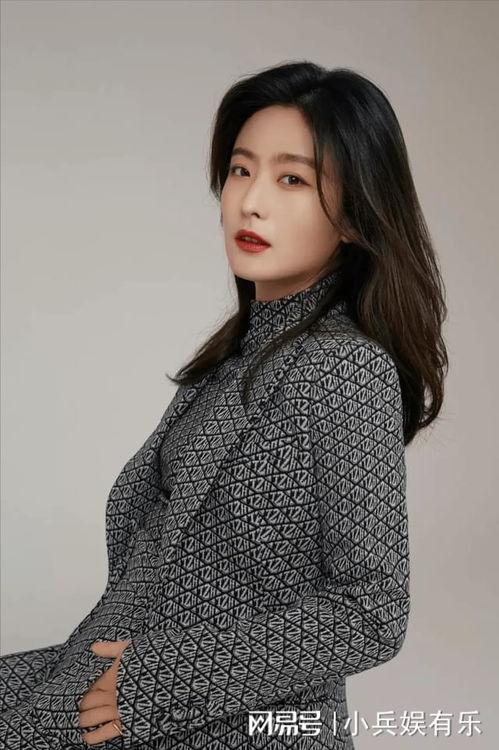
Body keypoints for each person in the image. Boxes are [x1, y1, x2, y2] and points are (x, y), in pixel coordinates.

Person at [0, 61, 448, 749]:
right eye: (241, 170)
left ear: (355, 215)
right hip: (111, 687)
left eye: (292, 179)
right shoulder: (230, 362)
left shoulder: (345, 368)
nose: (250, 202)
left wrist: (157, 682)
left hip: (228, 723)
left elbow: (371, 610)